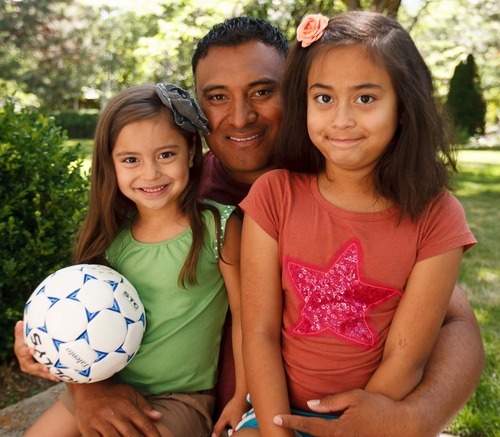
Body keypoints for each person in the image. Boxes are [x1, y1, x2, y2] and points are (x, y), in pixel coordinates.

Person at [15, 16, 484, 437]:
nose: (240, 116)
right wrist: (86, 387)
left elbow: (456, 324)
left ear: (297, 91)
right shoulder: (166, 196)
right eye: (217, 98)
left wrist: (411, 418)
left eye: (263, 91)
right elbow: (96, 296)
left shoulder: (347, 184)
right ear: (195, 113)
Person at [234, 11, 477, 437]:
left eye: (365, 98)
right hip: (278, 413)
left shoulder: (437, 216)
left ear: (403, 106)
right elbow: (259, 334)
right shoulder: (275, 196)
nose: (342, 120)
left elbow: (407, 359)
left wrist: (354, 425)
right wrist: (277, 429)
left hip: (378, 414)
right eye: (323, 98)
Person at [18, 83, 248, 437]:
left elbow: (249, 320)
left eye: (165, 155)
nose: (150, 173)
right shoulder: (110, 237)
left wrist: (241, 397)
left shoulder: (217, 227)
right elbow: (70, 312)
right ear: (110, 163)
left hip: (178, 400)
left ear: (190, 151)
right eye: (130, 160)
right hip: (102, 388)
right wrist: (39, 339)